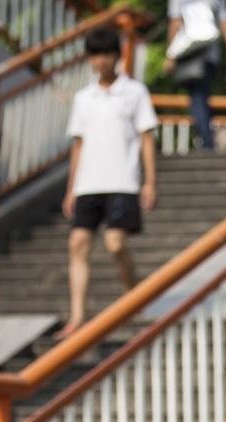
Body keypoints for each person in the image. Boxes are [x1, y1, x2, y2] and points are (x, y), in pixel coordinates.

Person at [60, 27, 158, 340]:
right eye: (95, 55)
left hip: (122, 180)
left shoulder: (134, 92)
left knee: (115, 243)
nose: (100, 61)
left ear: (117, 56)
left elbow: (146, 138)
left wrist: (149, 182)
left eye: (105, 54)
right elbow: (78, 144)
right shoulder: (83, 98)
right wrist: (71, 188)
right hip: (88, 182)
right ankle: (78, 315)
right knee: (77, 244)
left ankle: (134, 295)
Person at [164, 0, 226, 151]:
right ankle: (206, 137)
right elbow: (225, 24)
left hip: (188, 52)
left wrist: (170, 54)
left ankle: (206, 140)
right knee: (202, 96)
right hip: (210, 54)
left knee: (197, 97)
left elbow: (175, 23)